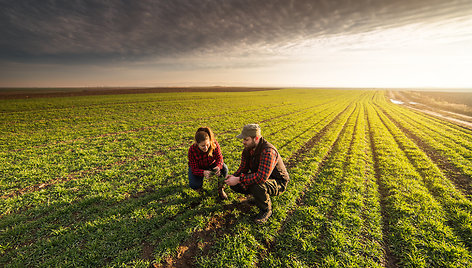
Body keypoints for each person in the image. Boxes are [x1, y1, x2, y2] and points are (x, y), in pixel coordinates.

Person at [225, 124, 290, 224]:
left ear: (256, 138)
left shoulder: (268, 151)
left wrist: (239, 179)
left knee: (257, 185)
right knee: (236, 185)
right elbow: (243, 168)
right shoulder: (247, 150)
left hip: (278, 182)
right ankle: (257, 198)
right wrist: (233, 177)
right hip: (261, 178)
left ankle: (266, 210)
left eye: (246, 139)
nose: (243, 142)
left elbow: (261, 177)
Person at [188, 126, 228, 200]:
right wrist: (203, 172)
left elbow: (220, 158)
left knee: (224, 168)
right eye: (203, 146)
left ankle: (221, 189)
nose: (206, 148)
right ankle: (199, 189)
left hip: (210, 164)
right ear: (197, 144)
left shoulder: (214, 144)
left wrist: (218, 166)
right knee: (194, 184)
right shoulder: (192, 150)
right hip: (199, 167)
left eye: (207, 145)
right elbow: (194, 169)